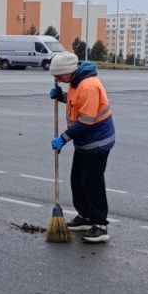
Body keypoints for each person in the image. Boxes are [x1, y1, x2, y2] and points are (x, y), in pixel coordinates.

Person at [48, 51, 115, 244]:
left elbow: (86, 121)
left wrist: (63, 138)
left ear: (68, 72)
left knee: (92, 182)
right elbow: (75, 101)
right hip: (85, 142)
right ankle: (85, 217)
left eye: (58, 76)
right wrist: (62, 96)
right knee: (77, 180)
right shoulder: (76, 82)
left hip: (98, 141)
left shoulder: (89, 85)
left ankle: (100, 225)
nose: (57, 79)